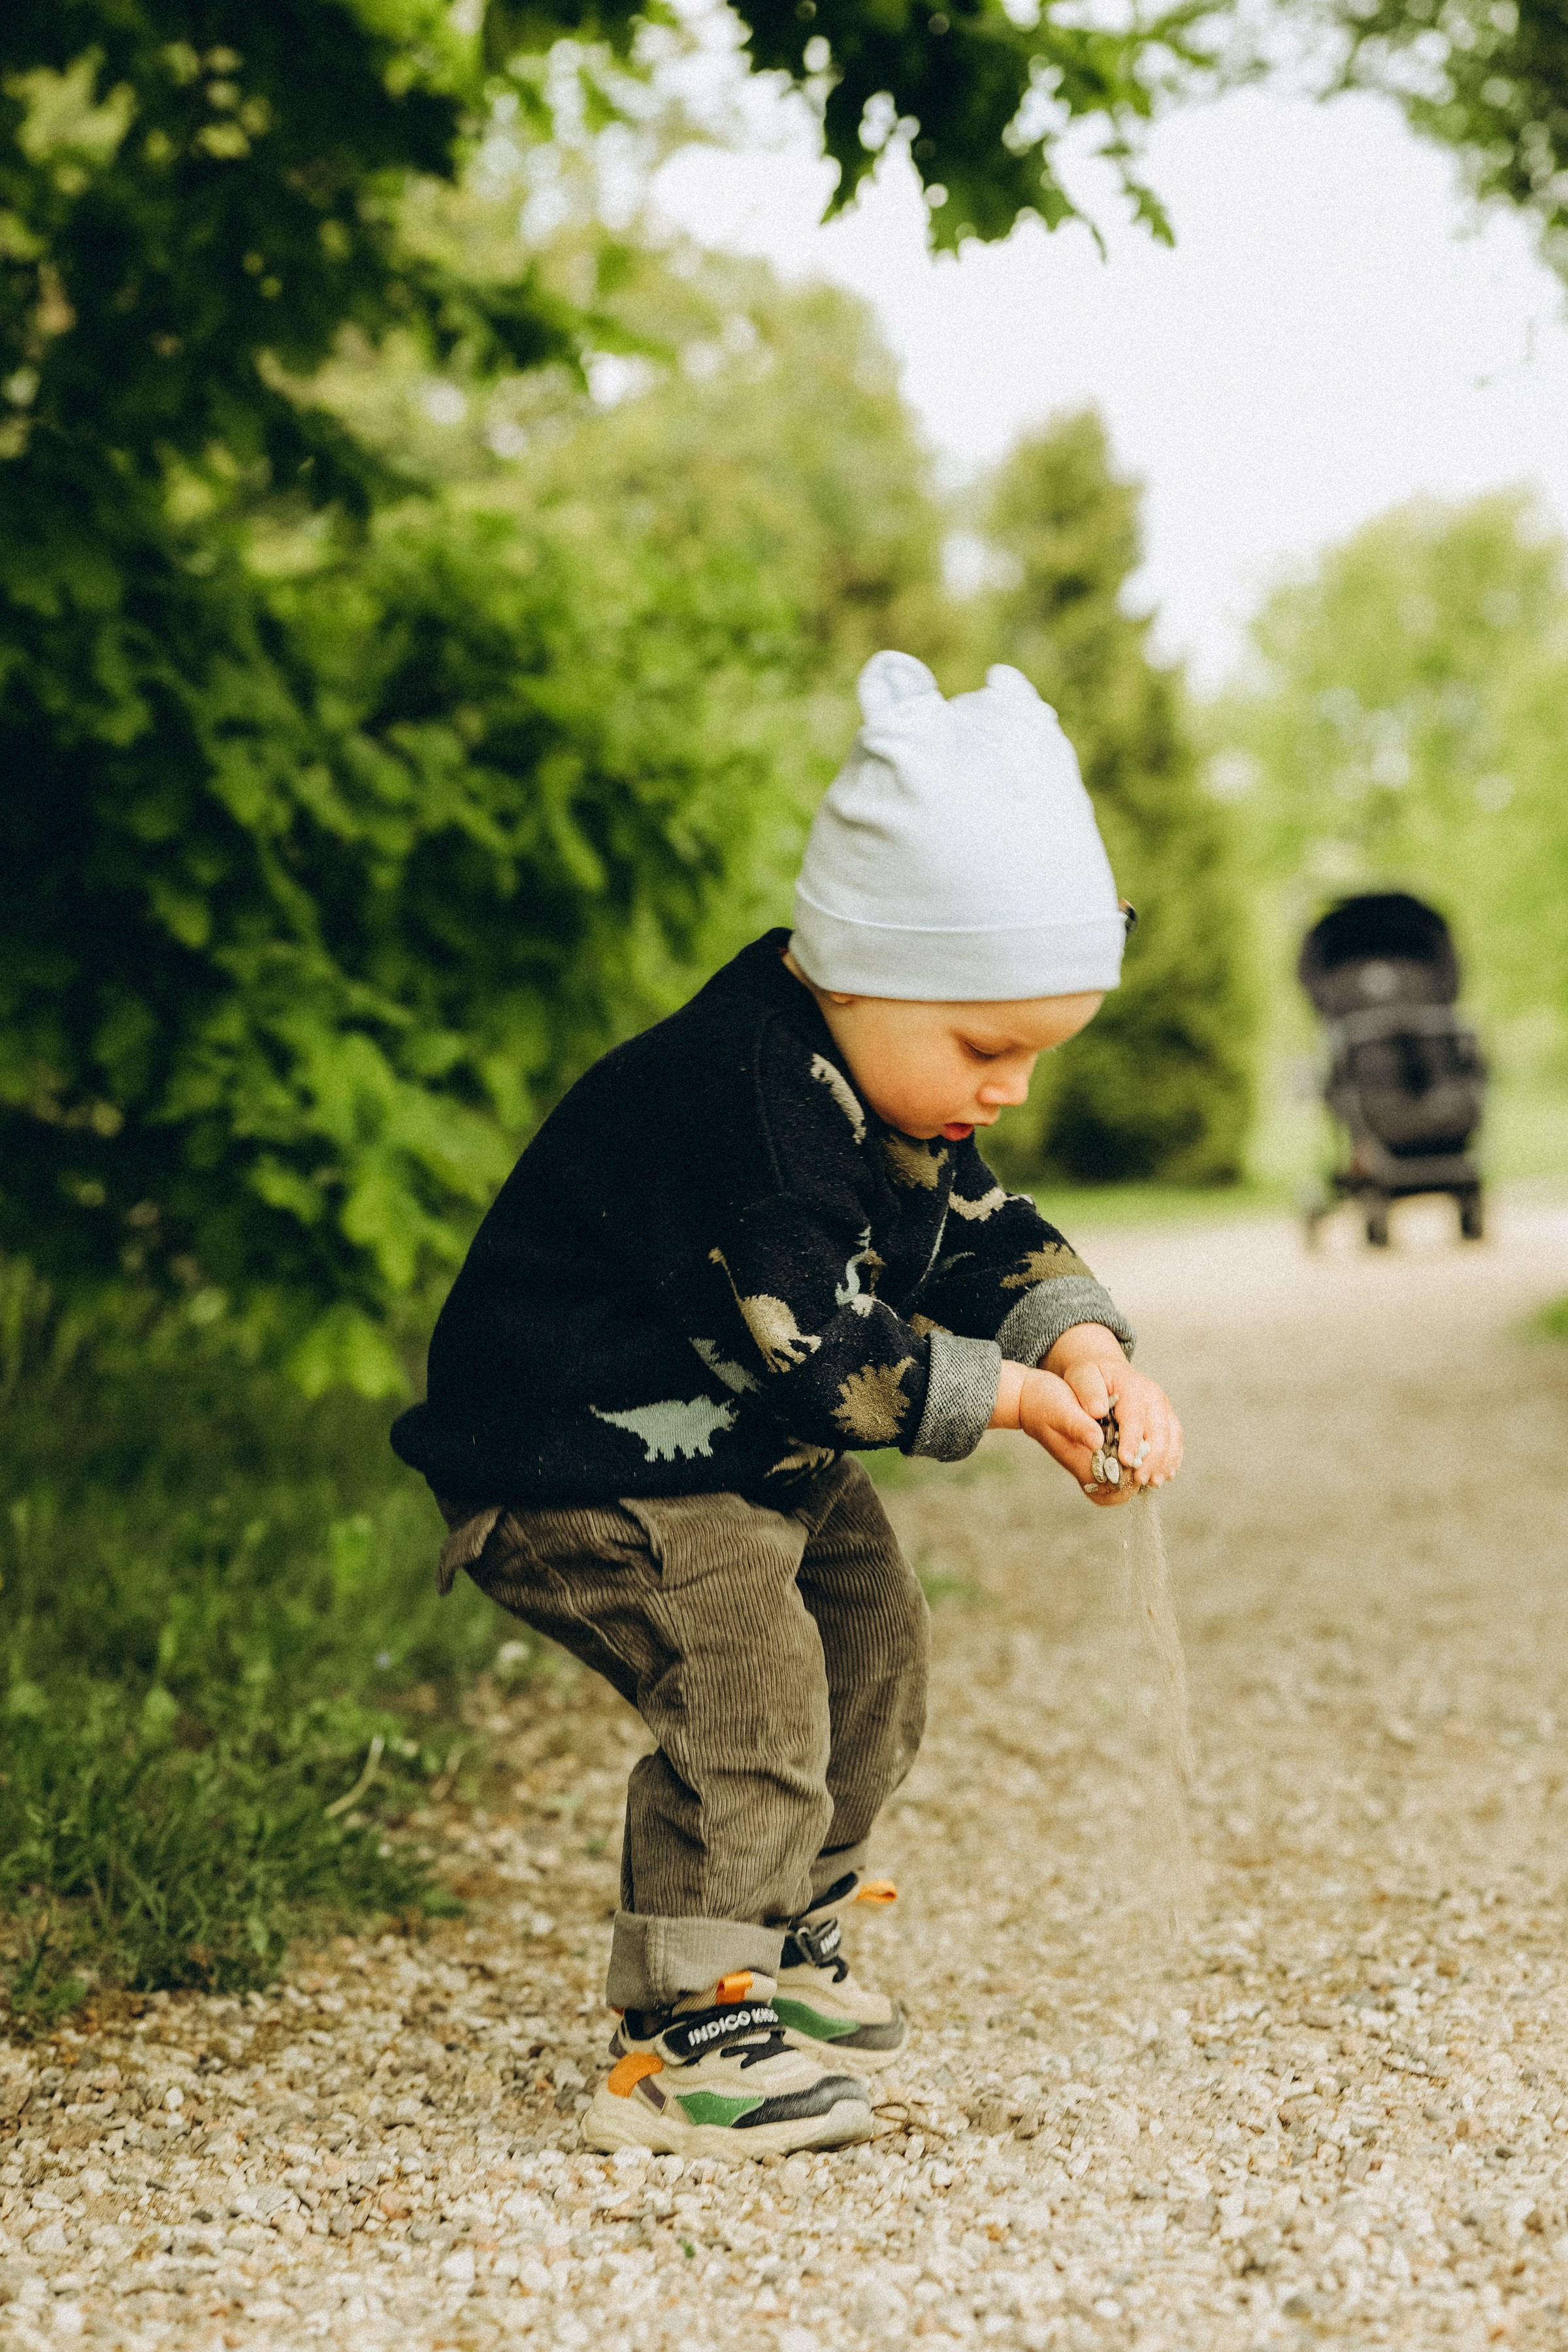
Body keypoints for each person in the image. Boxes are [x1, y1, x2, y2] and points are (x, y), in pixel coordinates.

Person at [391, 651, 1183, 2159]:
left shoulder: (883, 1079)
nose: (1009, 1090)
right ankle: (688, 2025)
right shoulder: (754, 1101)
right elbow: (827, 1357)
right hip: (579, 1450)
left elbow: (980, 1228)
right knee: (748, 1683)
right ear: (866, 966)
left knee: (873, 1634)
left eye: (1035, 1054)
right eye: (988, 1049)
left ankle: (786, 1931)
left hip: (733, 1440)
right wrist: (1014, 1398)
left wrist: (1083, 1345)